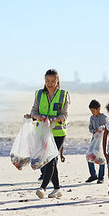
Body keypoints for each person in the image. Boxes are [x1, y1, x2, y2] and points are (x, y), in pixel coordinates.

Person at [31, 69, 70, 199]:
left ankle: (43, 187)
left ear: (57, 81)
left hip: (58, 133)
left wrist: (55, 119)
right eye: (47, 80)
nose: (50, 83)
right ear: (44, 81)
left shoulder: (63, 94)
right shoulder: (39, 94)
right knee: (50, 160)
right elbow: (33, 112)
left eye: (53, 81)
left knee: (51, 159)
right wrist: (40, 117)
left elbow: (64, 115)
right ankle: (57, 189)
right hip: (43, 132)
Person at [85, 99, 107, 184]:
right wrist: (93, 130)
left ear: (99, 109)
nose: (92, 112)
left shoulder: (104, 117)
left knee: (101, 158)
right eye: (91, 111)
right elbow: (90, 127)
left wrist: (103, 128)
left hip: (102, 141)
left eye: (93, 111)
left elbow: (108, 126)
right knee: (89, 155)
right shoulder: (92, 118)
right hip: (94, 139)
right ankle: (93, 175)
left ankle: (101, 177)